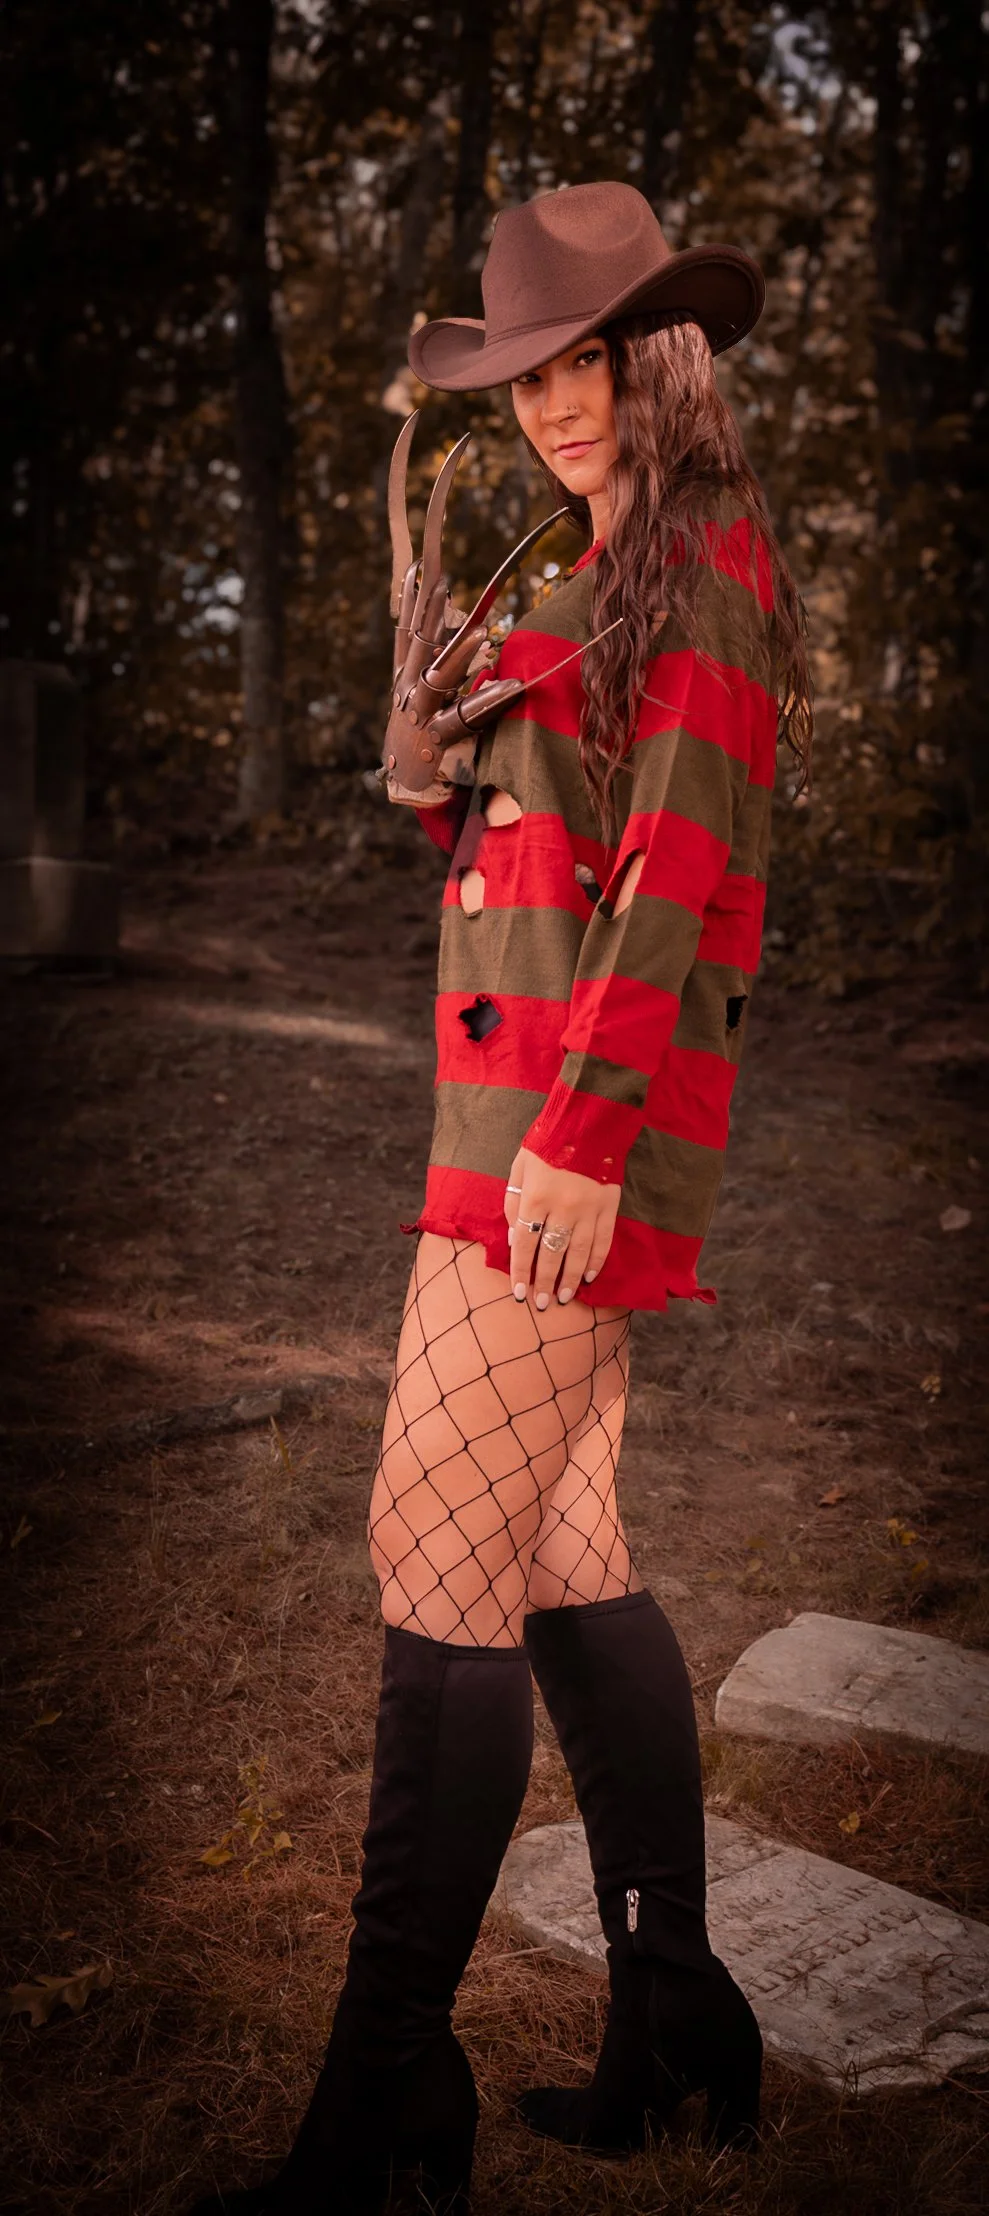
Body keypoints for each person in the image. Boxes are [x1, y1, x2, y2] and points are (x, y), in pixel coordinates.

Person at [191, 180, 812, 2216]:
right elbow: (486, 805)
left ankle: (380, 2105)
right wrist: (427, 731)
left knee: (429, 1545)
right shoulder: (574, 552)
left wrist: (580, 1126)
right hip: (507, 1106)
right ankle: (673, 2016)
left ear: (662, 351)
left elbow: (680, 861)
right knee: (555, 1541)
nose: (557, 401)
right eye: (528, 369)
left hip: (569, 1122)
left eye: (588, 358)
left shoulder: (708, 555)